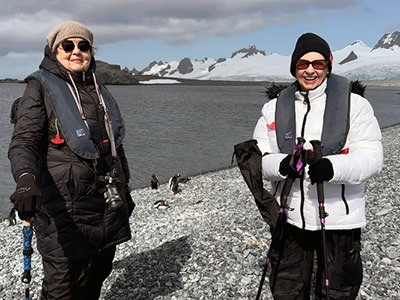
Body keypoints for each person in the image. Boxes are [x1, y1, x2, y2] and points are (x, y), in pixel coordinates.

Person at [8, 21, 135, 300]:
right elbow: (23, 142)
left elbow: (116, 145)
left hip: (105, 204)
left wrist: (126, 191)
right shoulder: (39, 88)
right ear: (55, 51)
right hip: (64, 208)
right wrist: (26, 181)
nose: (76, 51)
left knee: (97, 274)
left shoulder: (99, 90)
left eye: (83, 45)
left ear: (91, 51)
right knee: (62, 287)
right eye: (68, 45)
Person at [252, 33, 383, 299]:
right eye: (303, 64)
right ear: (294, 67)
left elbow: (372, 157)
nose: (310, 70)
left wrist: (333, 168)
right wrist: (283, 164)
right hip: (289, 218)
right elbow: (258, 160)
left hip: (339, 219)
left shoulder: (355, 105)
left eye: (318, 63)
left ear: (328, 65)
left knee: (337, 291)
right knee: (286, 288)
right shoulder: (273, 108)